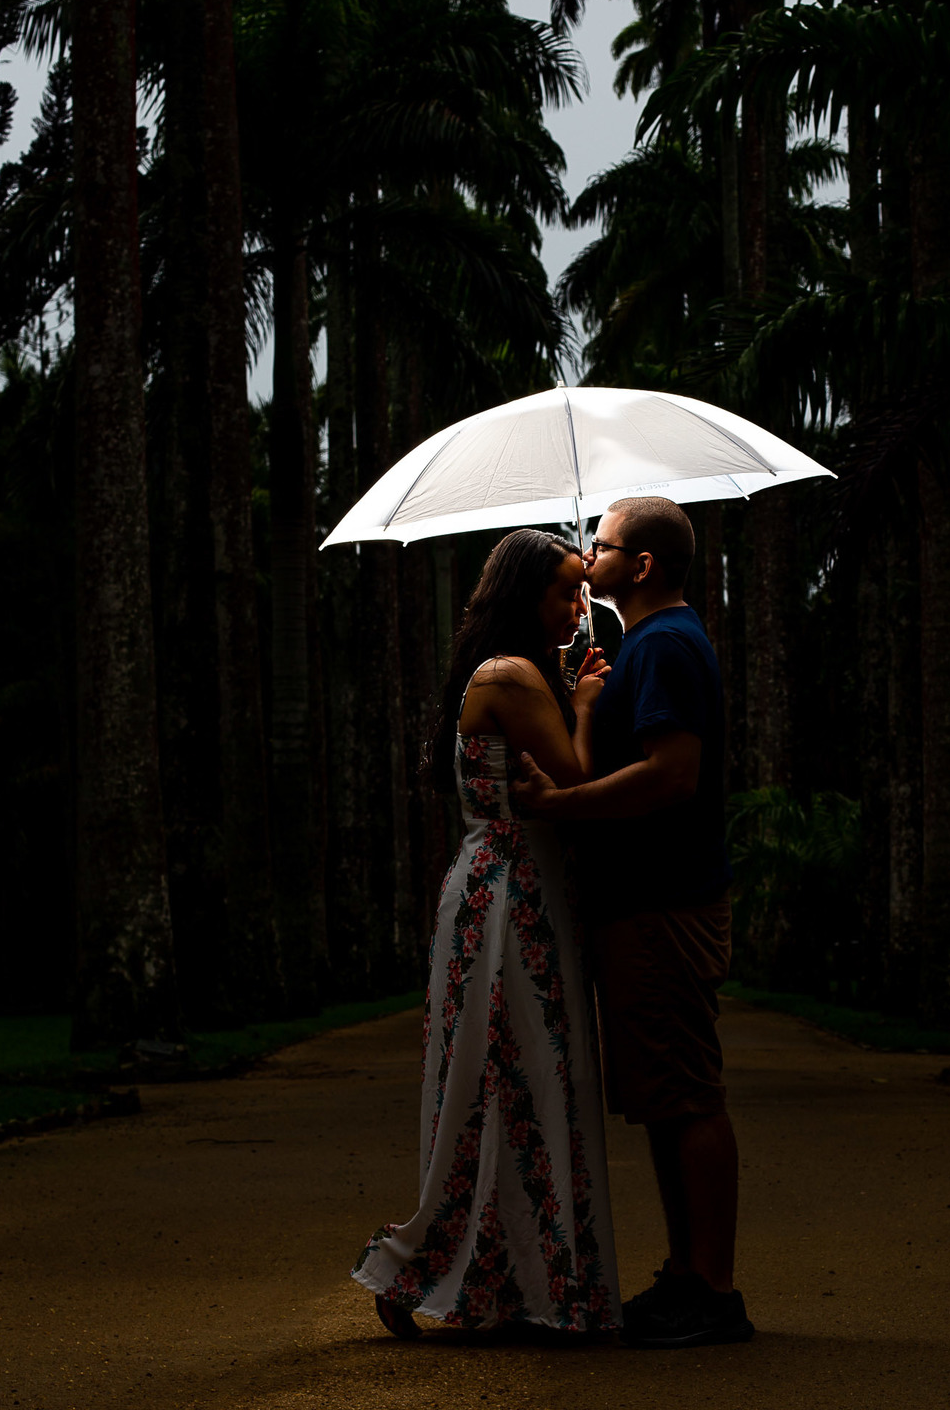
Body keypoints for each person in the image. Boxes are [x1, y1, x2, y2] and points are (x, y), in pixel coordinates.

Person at [353, 528, 620, 1338]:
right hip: (511, 900)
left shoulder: (518, 670)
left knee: (520, 1083)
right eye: (566, 590)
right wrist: (581, 704)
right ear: (522, 596)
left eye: (583, 588)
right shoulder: (509, 677)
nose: (580, 606)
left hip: (517, 892)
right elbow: (577, 777)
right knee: (507, 1079)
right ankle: (431, 1267)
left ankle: (505, 1282)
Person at [513, 496, 751, 1349]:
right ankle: (688, 1272)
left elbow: (671, 776)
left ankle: (715, 1291)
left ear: (640, 565)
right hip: (638, 901)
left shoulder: (667, 646)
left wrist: (566, 803)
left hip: (665, 900)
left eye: (600, 542)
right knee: (660, 1096)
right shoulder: (642, 646)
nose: (586, 553)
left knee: (687, 1093)